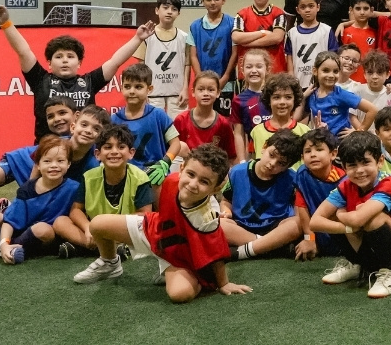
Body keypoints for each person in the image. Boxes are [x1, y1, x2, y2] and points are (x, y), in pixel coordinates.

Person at [73, 144, 253, 303]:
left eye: (204, 181)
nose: (192, 184)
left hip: (179, 255)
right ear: (181, 169)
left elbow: (216, 252)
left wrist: (224, 283)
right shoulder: (171, 180)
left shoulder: (206, 218)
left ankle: (177, 275)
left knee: (180, 294)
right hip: (153, 230)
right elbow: (180, 145)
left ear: (216, 188)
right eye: (190, 174)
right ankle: (110, 263)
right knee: (97, 224)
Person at [0, 103, 107, 248]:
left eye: (95, 129)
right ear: (73, 127)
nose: (87, 131)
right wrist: (24, 201)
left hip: (49, 176)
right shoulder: (58, 145)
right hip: (20, 162)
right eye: (84, 125)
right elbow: (31, 183)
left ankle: (6, 215)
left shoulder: (93, 163)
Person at [0, 5, 151, 138]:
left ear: (79, 63)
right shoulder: (40, 80)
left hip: (83, 148)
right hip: (48, 150)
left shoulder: (89, 82)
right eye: (58, 56)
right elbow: (23, 51)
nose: (65, 60)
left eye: (70, 56)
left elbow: (115, 62)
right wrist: (6, 23)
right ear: (49, 63)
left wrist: (137, 38)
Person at [311, 132, 391, 298]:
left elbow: (358, 219)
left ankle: (390, 273)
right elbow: (315, 222)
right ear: (344, 167)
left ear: (380, 162)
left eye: (365, 162)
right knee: (333, 218)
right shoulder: (346, 186)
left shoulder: (387, 183)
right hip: (365, 244)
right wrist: (348, 226)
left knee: (373, 219)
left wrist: (341, 213)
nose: (359, 170)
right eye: (352, 165)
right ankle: (357, 264)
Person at [0, 136, 83, 264]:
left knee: (43, 229)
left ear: (68, 164)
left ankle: (2, 247)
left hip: (46, 236)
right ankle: (5, 249)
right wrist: (4, 244)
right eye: (47, 161)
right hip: (22, 229)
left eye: (60, 161)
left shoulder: (75, 188)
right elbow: (10, 222)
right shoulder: (28, 189)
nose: (54, 165)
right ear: (38, 164)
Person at [66, 125, 153, 256]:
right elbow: (75, 210)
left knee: (146, 229)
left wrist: (109, 225)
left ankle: (90, 248)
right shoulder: (89, 177)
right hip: (95, 230)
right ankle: (100, 246)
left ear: (131, 153)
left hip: (124, 231)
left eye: (121, 147)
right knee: (61, 222)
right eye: (107, 147)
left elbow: (145, 215)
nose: (114, 151)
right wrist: (87, 228)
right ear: (97, 154)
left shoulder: (140, 178)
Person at [222, 129, 307, 261]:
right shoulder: (237, 172)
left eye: (281, 163)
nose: (272, 164)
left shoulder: (292, 178)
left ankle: (244, 251)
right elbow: (226, 201)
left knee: (297, 223)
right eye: (272, 155)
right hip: (242, 227)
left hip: (275, 228)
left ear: (288, 166)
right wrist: (226, 211)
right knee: (220, 224)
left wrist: (309, 238)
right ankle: (271, 247)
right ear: (264, 147)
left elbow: (300, 213)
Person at [112, 64, 181, 184]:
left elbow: (176, 143)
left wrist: (165, 162)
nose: (132, 91)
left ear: (149, 89)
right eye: (127, 87)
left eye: (138, 87)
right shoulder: (114, 120)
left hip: (156, 178)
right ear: (121, 88)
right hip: (125, 179)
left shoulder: (159, 115)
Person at [291, 130, 344, 260]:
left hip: (340, 232)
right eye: (308, 151)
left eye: (319, 150)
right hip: (314, 233)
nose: (313, 155)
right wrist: (310, 238)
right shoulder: (302, 173)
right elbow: (302, 207)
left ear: (333, 154)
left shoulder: (344, 180)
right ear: (302, 157)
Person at [134, 0, 189, 117]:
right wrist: (143, 90)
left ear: (178, 13)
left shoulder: (185, 37)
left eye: (174, 9)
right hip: (152, 93)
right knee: (153, 128)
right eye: (165, 8)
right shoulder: (147, 35)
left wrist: (185, 89)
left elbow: (187, 65)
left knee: (179, 131)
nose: (169, 12)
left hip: (177, 94)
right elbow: (140, 66)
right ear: (157, 10)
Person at [188, 0, 236, 115]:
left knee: (224, 119)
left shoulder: (233, 23)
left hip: (226, 82)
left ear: (223, 0)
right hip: (204, 84)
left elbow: (235, 54)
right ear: (202, 1)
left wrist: (225, 77)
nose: (212, 2)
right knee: (204, 117)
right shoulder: (194, 26)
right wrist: (200, 78)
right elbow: (193, 55)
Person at [301, 51, 378, 135]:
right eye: (326, 70)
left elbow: (372, 110)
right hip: (322, 144)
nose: (331, 75)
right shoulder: (311, 95)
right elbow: (296, 118)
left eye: (335, 71)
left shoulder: (341, 94)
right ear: (315, 71)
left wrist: (358, 132)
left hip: (341, 145)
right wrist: (303, 96)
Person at [233, 0, 291, 75]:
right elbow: (236, 37)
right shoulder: (241, 14)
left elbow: (277, 37)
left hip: (275, 72)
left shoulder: (278, 14)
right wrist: (263, 33)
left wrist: (245, 43)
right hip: (248, 73)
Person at [172, 71, 238, 161]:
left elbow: (231, 157)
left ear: (218, 93)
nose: (206, 93)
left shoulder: (223, 124)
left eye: (211, 90)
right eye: (201, 89)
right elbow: (171, 151)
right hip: (186, 170)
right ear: (193, 92)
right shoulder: (181, 120)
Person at [247, 72, 308, 163]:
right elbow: (251, 162)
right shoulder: (256, 132)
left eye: (288, 97)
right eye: (276, 97)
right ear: (269, 100)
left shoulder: (305, 131)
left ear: (294, 100)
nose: (282, 102)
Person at [286, 0, 337, 91]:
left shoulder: (326, 31)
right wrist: (291, 77)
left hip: (322, 83)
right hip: (299, 83)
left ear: (318, 7)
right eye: (303, 7)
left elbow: (333, 56)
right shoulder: (292, 33)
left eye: (311, 6)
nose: (307, 10)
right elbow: (289, 57)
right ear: (297, 10)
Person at [347, 51, 391, 128]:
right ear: (364, 74)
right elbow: (352, 116)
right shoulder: (357, 91)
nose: (375, 77)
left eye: (379, 73)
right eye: (370, 73)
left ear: (388, 74)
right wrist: (362, 132)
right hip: (362, 136)